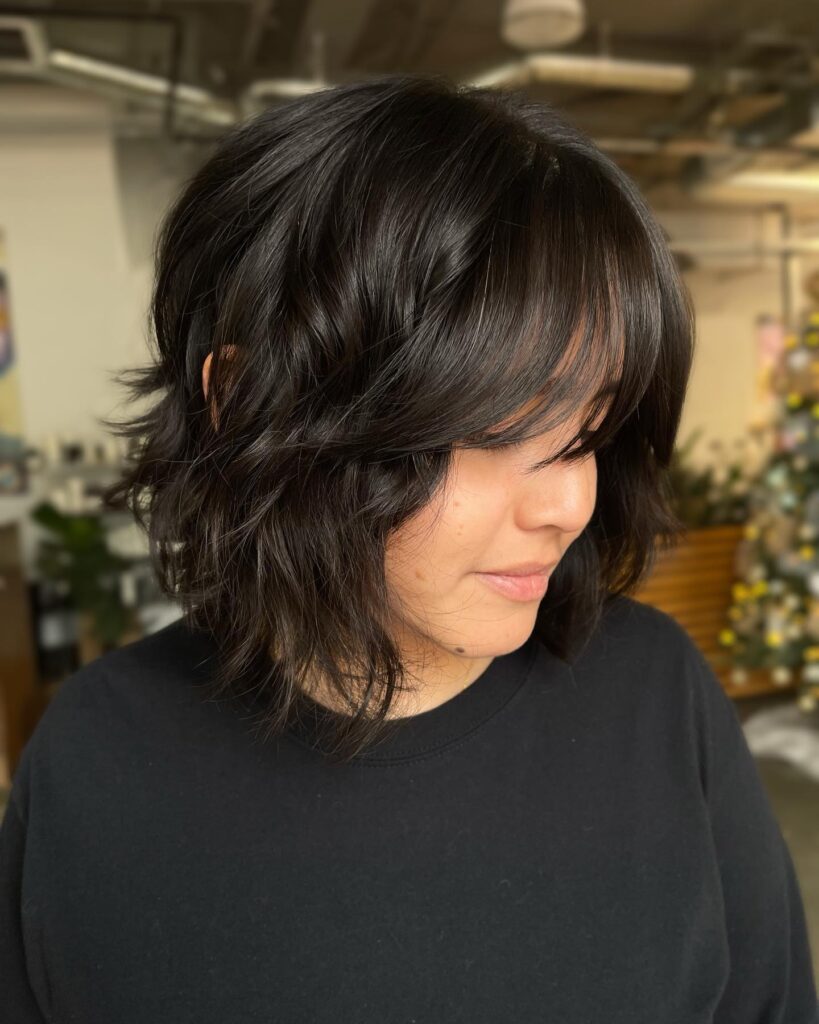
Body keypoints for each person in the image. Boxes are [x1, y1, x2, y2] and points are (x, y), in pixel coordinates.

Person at [1, 72, 817, 1023]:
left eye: (589, 431)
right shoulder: (99, 760)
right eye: (495, 430)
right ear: (249, 402)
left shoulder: (656, 696)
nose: (567, 501)